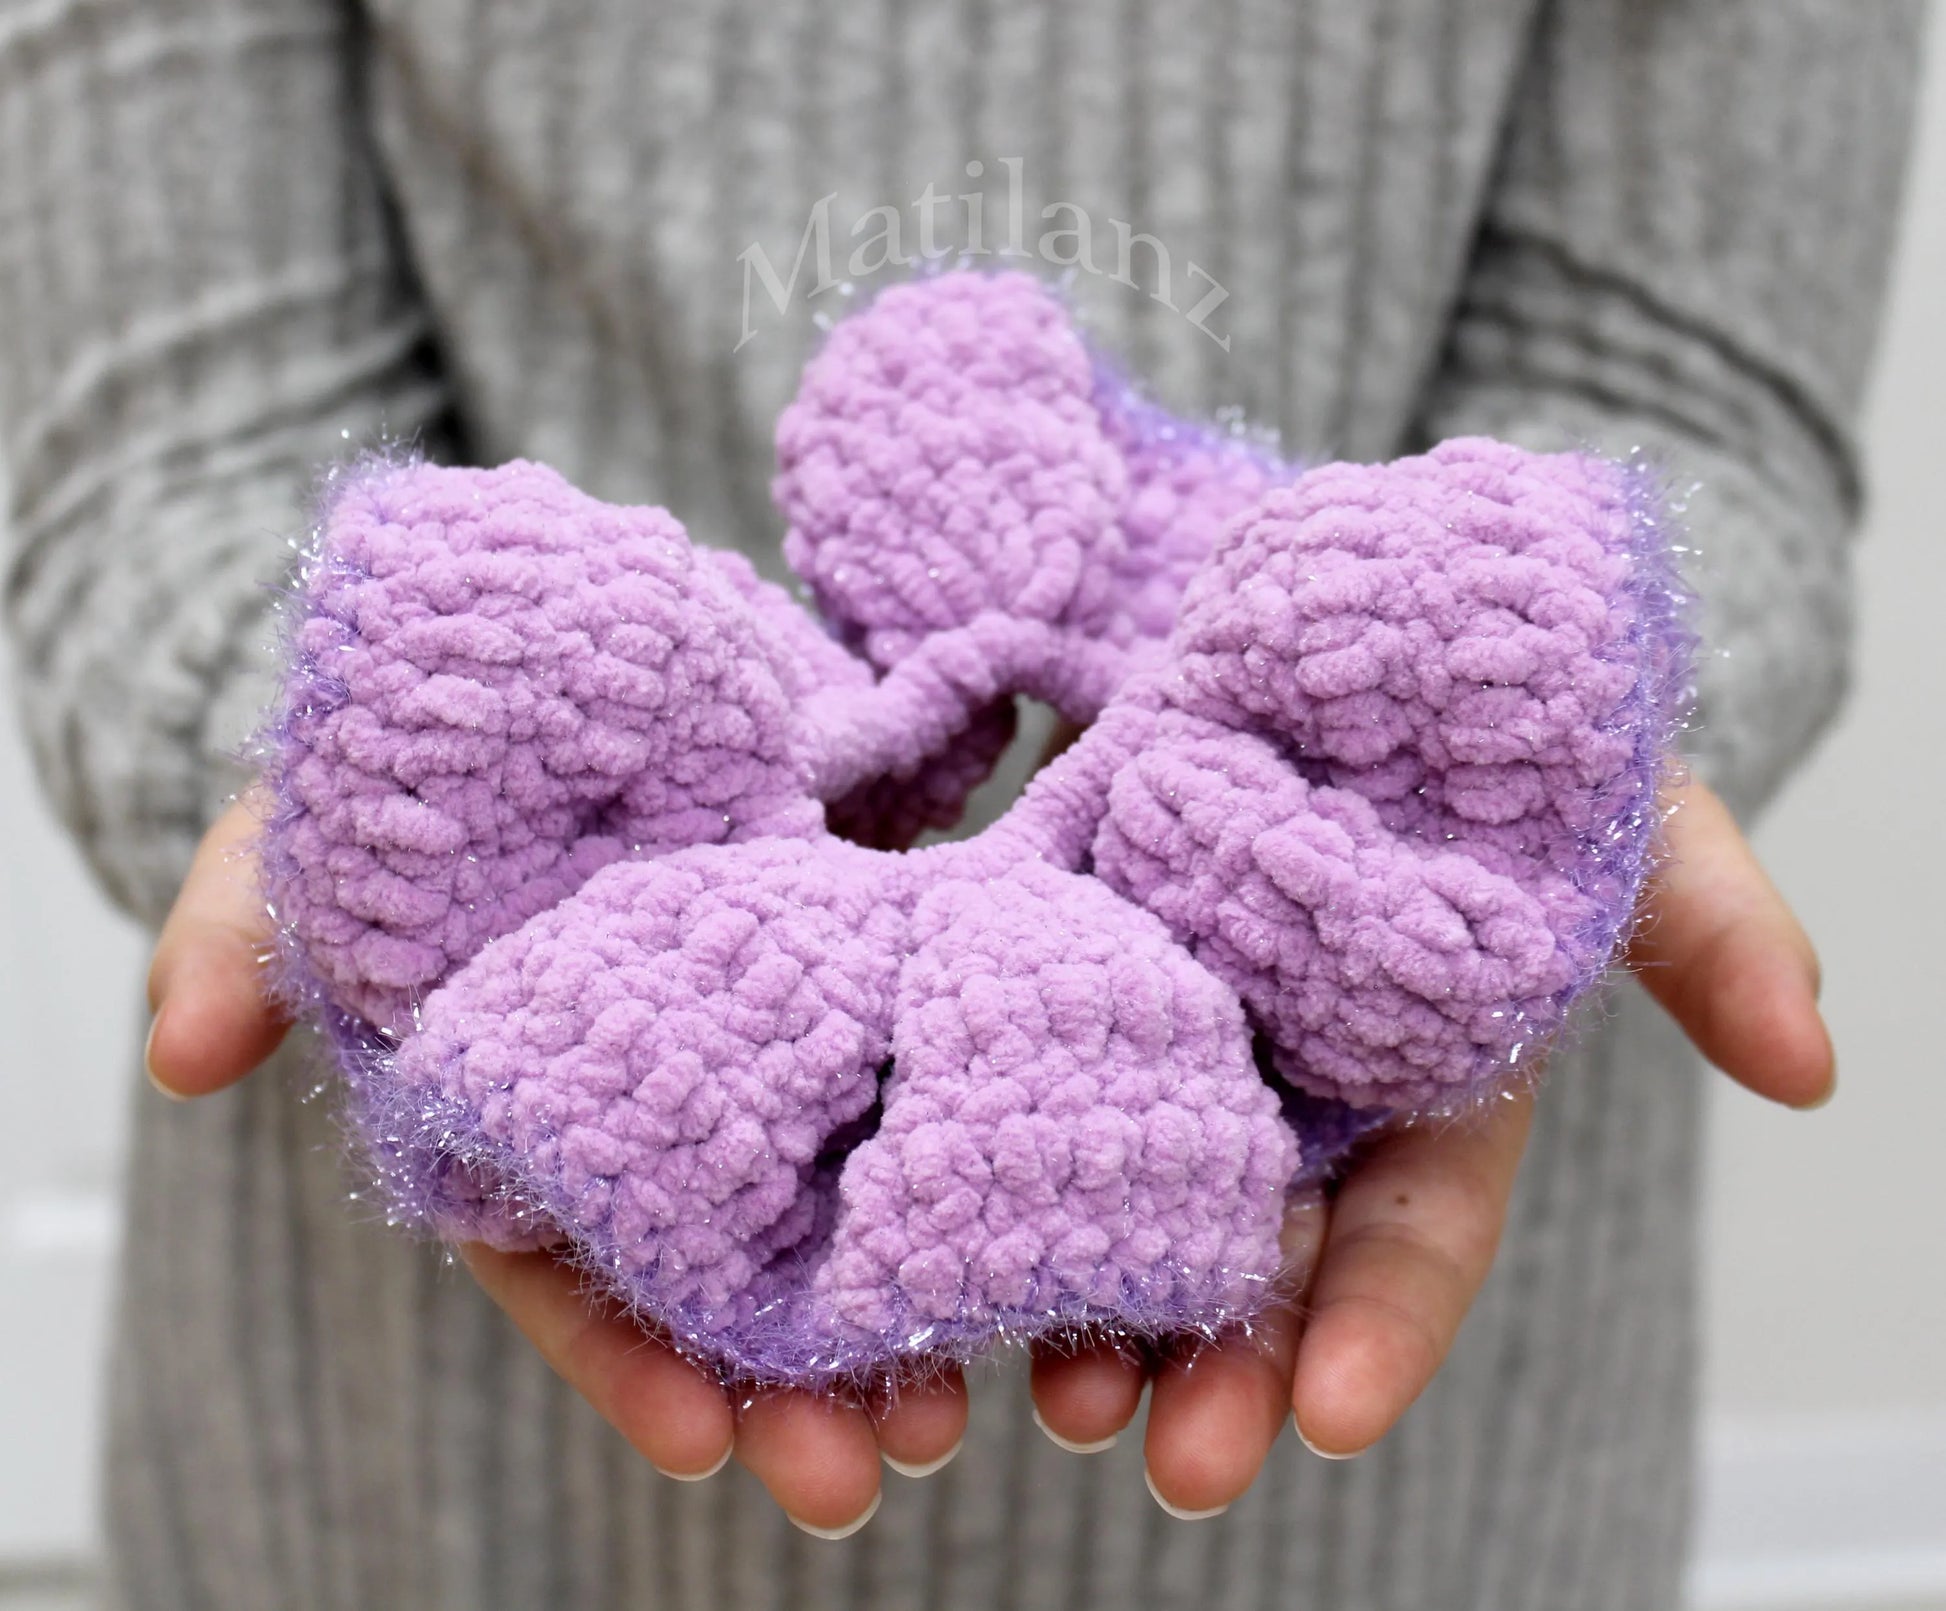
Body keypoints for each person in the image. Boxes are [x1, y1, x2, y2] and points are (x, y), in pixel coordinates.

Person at [0, 2, 1923, 1606]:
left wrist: (1551, 740)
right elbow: (166, 437)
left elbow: (1694, 400)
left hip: (1411, 1462)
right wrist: (354, 782)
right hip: (404, 1456)